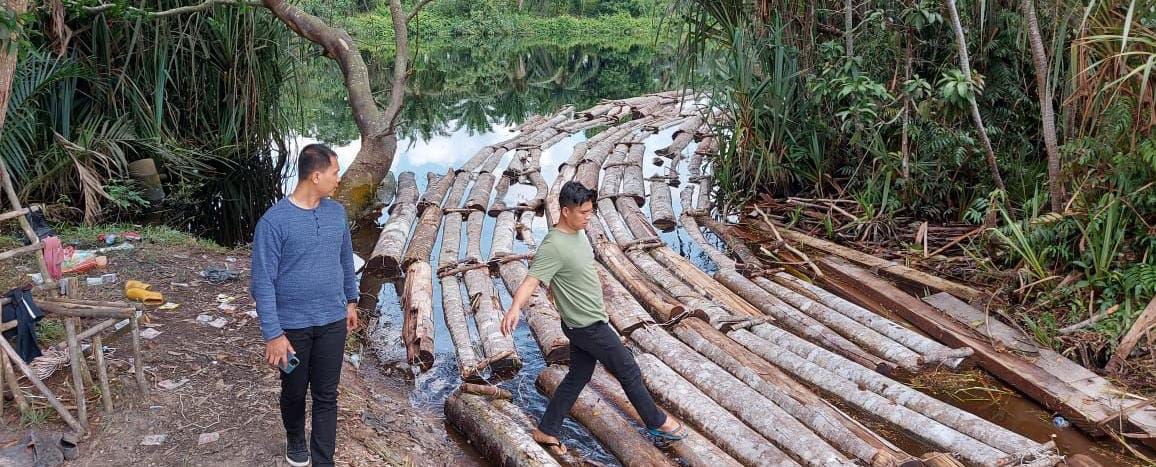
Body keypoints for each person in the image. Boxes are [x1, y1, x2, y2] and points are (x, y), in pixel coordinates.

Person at [501, 181, 686, 454]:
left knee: (578, 376)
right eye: (583, 212)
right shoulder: (554, 246)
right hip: (588, 326)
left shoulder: (578, 232)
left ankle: (546, 430)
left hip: (586, 321)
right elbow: (531, 280)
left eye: (591, 211)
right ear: (565, 211)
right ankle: (656, 422)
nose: (589, 217)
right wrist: (515, 308)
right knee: (628, 369)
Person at [251, 144, 360, 467]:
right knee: (295, 390)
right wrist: (273, 334)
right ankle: (295, 438)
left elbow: (344, 260)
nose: (338, 179)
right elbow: (262, 283)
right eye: (335, 173)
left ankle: (323, 461)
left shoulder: (336, 213)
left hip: (332, 322)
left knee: (327, 395)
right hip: (292, 328)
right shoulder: (273, 223)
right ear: (316, 176)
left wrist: (351, 301)